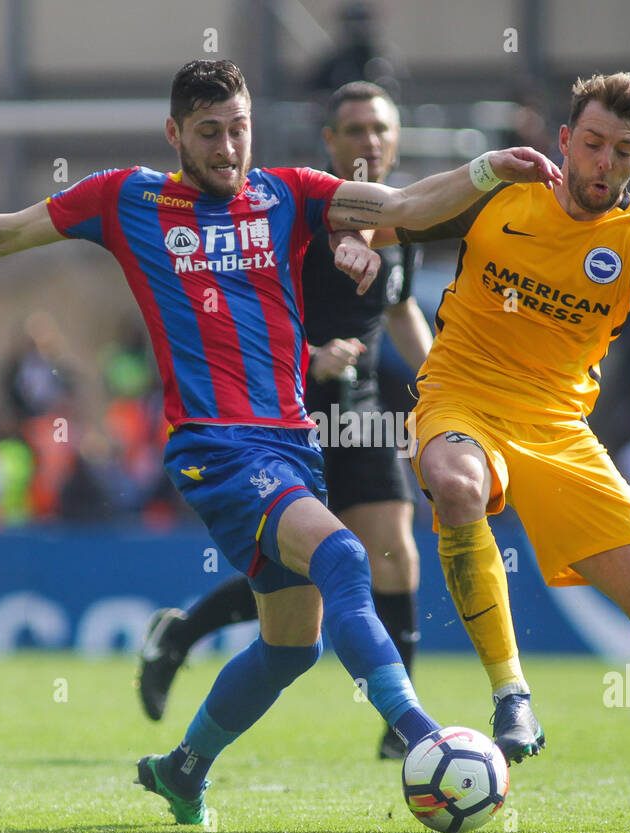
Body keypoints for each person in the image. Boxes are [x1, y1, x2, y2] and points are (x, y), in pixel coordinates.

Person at [0, 59, 561, 825]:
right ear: (174, 133)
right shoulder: (128, 198)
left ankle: (184, 769)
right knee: (347, 556)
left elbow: (407, 205)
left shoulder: (289, 193)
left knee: (292, 645)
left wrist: (486, 169)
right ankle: (424, 742)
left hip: (289, 446)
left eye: (238, 129)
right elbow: (9, 231)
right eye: (209, 133)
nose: (227, 148)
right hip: (215, 447)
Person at [383, 72, 630, 829]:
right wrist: (363, 254)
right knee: (455, 486)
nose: (603, 163)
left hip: (557, 427)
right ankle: (510, 693)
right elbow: (392, 220)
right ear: (564, 141)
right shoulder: (501, 194)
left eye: (622, 151)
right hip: (461, 394)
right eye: (591, 144)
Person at [136, 81, 432, 761]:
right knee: (316, 566)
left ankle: (399, 727)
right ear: (330, 142)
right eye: (353, 130)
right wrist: (309, 354)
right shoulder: (292, 212)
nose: (369, 142)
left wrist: (447, 384)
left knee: (387, 546)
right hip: (275, 404)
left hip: (357, 409)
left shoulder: (394, 223)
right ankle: (185, 634)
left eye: (380, 129)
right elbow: (237, 309)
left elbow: (398, 309)